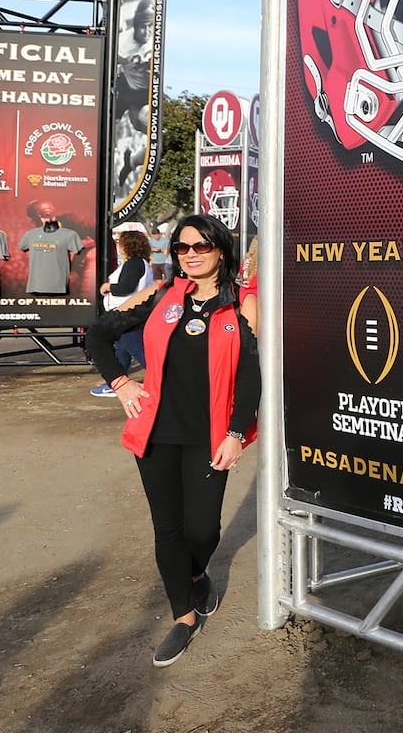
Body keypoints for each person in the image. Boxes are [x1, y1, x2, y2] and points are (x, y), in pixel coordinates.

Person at [85, 214, 261, 668]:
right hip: (156, 432)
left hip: (211, 435)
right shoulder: (162, 295)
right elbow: (99, 334)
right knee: (167, 527)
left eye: (202, 246)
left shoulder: (242, 302)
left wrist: (237, 433)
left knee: (202, 528)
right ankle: (182, 617)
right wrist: (122, 383)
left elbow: (250, 374)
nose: (192, 255)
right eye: (183, 248)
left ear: (221, 249)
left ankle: (198, 574)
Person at [91, 230, 157, 397]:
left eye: (121, 243)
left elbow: (126, 287)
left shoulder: (134, 263)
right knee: (122, 349)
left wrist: (108, 287)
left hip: (126, 314)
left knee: (138, 351)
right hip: (129, 314)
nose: (119, 246)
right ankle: (115, 382)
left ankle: (165, 380)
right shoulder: (140, 263)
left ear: (128, 245)